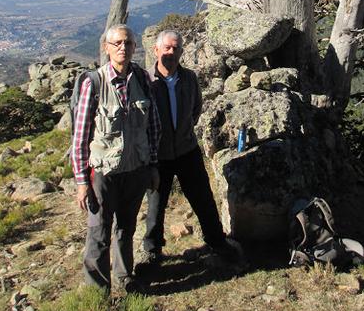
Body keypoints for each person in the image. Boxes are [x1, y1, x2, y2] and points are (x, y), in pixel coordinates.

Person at [138, 29, 240, 268]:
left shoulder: (189, 78)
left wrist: (182, 133)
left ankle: (216, 241)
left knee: (203, 198)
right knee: (156, 204)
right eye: (167, 48)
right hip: (158, 154)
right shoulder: (146, 81)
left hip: (187, 150)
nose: (171, 53)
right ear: (156, 51)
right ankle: (153, 250)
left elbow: (195, 110)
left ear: (181, 52)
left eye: (176, 48)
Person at [72, 23, 161, 293]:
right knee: (99, 232)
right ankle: (98, 292)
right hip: (103, 172)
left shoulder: (143, 79)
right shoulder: (94, 82)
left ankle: (125, 276)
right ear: (106, 48)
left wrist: (153, 165)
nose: (123, 47)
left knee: (126, 227)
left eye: (128, 43)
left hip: (136, 168)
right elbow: (80, 135)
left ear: (135, 46)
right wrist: (81, 181)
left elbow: (153, 125)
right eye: (117, 43)